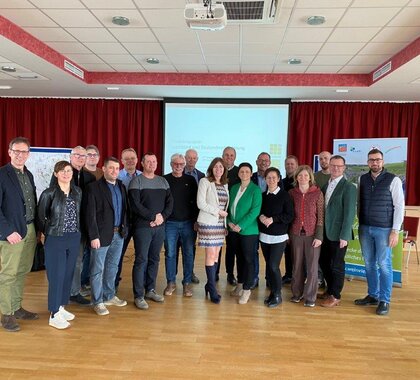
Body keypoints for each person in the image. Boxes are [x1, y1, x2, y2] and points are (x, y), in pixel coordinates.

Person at [354, 149, 404, 316]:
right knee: (368, 264)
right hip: (365, 228)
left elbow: (399, 206)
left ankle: (385, 300)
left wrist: (395, 230)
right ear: (368, 162)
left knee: (384, 264)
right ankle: (373, 295)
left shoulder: (393, 180)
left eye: (377, 160)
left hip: (384, 229)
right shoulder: (362, 179)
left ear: (383, 161)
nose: (374, 163)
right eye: (371, 160)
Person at [38, 161, 82, 329]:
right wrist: (49, 232)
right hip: (56, 237)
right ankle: (54, 313)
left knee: (68, 274)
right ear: (56, 174)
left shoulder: (77, 192)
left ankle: (61, 306)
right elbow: (41, 217)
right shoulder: (49, 193)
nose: (66, 173)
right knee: (57, 275)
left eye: (69, 170)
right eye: (62, 171)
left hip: (74, 236)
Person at [0, 137, 38, 332]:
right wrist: (7, 231)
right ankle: (6, 314)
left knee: (22, 271)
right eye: (16, 151)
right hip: (11, 233)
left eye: (23, 152)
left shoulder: (28, 175)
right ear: (9, 152)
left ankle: (16, 306)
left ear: (28, 154)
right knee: (8, 274)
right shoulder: (2, 174)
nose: (20, 155)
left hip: (29, 229)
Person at [50, 145, 96, 306]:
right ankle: (60, 294)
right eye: (77, 155)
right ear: (71, 156)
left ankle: (74, 292)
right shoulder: (62, 174)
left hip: (81, 227)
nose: (81, 158)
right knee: (61, 262)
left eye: (84, 156)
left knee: (77, 261)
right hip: (62, 228)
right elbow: (51, 201)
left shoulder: (89, 178)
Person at [129, 153, 173, 310]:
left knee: (154, 258)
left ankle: (150, 290)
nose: (151, 164)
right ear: (142, 163)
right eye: (148, 161)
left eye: (154, 161)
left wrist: (162, 218)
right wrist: (153, 217)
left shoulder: (163, 181)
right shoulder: (137, 181)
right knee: (141, 260)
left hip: (160, 227)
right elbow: (135, 205)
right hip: (143, 228)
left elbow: (170, 203)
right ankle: (139, 295)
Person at [85, 157, 129, 316]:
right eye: (111, 168)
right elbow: (90, 215)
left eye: (117, 168)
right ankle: (97, 301)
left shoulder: (121, 187)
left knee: (112, 267)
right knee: (97, 269)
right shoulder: (94, 188)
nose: (114, 171)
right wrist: (93, 236)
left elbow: (124, 210)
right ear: (103, 169)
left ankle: (109, 295)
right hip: (101, 235)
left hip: (119, 234)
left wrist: (125, 229)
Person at [319, 155, 357, 308]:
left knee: (337, 265)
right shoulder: (325, 185)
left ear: (344, 168)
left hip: (339, 234)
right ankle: (330, 289)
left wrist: (344, 235)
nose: (335, 168)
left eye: (339, 166)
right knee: (323, 262)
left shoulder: (348, 187)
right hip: (326, 233)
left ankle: (335, 295)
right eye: (333, 165)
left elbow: (349, 214)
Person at [289, 165, 324, 307]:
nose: (302, 178)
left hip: (312, 235)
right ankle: (297, 294)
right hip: (295, 234)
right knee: (297, 266)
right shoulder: (292, 193)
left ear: (310, 177)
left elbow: (321, 216)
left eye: (305, 175)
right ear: (296, 177)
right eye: (300, 175)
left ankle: (310, 297)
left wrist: (319, 236)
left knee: (312, 267)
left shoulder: (317, 193)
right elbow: (289, 215)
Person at [163, 154, 198, 297]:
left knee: (188, 254)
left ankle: (187, 283)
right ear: (171, 164)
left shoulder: (190, 180)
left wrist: (196, 220)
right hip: (170, 223)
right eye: (175, 164)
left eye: (181, 164)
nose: (178, 166)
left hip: (188, 224)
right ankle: (171, 282)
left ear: (184, 165)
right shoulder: (164, 180)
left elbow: (196, 203)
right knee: (170, 254)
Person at [259, 167, 294, 308]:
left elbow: (289, 216)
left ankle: (278, 295)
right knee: (269, 266)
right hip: (264, 236)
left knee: (274, 266)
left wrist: (273, 219)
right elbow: (259, 211)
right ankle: (273, 293)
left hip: (278, 237)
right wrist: (261, 216)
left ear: (279, 179)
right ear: (265, 179)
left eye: (274, 177)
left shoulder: (285, 195)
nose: (271, 180)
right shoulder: (263, 195)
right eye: (269, 178)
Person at [227, 163, 262, 304]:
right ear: (239, 173)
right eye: (242, 171)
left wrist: (240, 225)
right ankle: (240, 284)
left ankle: (247, 290)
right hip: (233, 230)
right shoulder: (234, 188)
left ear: (251, 174)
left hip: (248, 231)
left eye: (247, 171)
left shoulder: (256, 190)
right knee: (239, 258)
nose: (244, 173)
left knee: (248, 260)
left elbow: (255, 211)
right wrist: (229, 221)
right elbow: (228, 208)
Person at [197, 157, 229, 304]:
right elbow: (200, 203)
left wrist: (224, 222)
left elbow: (225, 207)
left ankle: (209, 285)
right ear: (211, 168)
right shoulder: (205, 181)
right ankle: (212, 288)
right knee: (210, 255)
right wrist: (217, 212)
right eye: (216, 167)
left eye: (221, 167)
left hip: (220, 224)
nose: (218, 169)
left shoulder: (225, 184)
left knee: (216, 256)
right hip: (208, 223)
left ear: (224, 170)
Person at [115, 148, 142, 290]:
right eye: (127, 159)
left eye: (133, 158)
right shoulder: (116, 177)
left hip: (140, 223)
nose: (130, 161)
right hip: (122, 222)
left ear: (137, 160)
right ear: (122, 161)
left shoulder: (144, 176)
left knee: (142, 255)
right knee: (118, 255)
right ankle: (114, 284)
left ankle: (140, 286)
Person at [183, 148, 205, 284]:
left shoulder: (202, 176)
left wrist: (198, 220)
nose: (191, 160)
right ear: (185, 158)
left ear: (197, 159)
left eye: (194, 158)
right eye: (189, 158)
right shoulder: (178, 172)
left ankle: (190, 273)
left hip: (194, 218)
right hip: (179, 216)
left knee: (191, 248)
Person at [250, 151, 272, 289]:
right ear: (257, 162)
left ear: (269, 163)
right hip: (253, 220)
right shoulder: (250, 177)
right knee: (253, 251)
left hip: (268, 221)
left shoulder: (276, 178)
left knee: (269, 252)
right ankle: (254, 278)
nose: (263, 162)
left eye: (266, 160)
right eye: (261, 160)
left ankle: (269, 278)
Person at [222, 146, 240, 286]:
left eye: (231, 155)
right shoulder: (217, 169)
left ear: (235, 157)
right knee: (215, 246)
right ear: (223, 156)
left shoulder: (240, 172)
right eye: (226, 155)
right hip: (216, 214)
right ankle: (214, 272)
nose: (229, 157)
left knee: (231, 247)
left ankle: (230, 274)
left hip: (233, 216)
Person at [314, 151, 331, 289]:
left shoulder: (336, 176)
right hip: (318, 220)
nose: (323, 161)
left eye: (326, 158)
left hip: (332, 221)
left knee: (329, 253)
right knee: (318, 252)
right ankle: (319, 278)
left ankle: (329, 279)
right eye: (321, 159)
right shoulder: (315, 177)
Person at [281, 155, 299, 285]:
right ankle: (288, 274)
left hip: (299, 220)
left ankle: (298, 276)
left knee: (298, 251)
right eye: (287, 164)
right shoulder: (281, 182)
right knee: (287, 250)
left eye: (292, 164)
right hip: (286, 220)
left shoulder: (301, 180)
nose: (289, 166)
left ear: (297, 165)